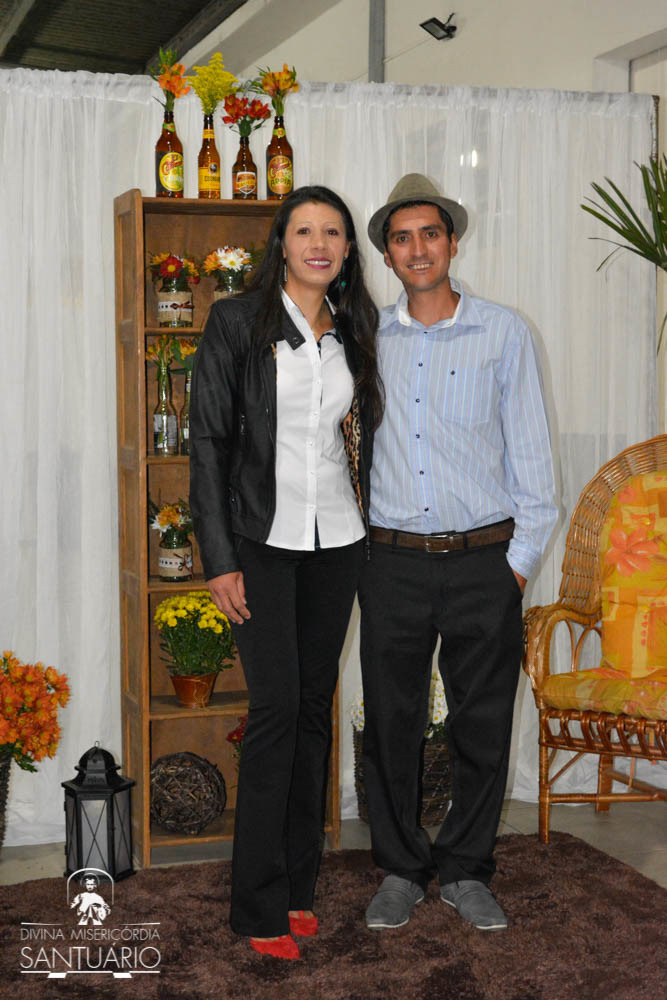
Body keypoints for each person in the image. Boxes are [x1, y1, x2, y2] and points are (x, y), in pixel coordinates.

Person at [189, 185, 383, 960]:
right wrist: (219, 559)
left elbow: (360, 439)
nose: (318, 243)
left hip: (338, 542)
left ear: (346, 250)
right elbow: (208, 442)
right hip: (260, 542)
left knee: (311, 711)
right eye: (304, 230)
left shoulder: (354, 328)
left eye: (332, 232)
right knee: (274, 710)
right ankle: (256, 905)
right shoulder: (238, 321)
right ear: (281, 242)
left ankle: (299, 889)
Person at [359, 173, 557, 933]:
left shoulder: (503, 333)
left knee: (483, 723)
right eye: (401, 238)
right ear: (386, 254)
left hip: (484, 561)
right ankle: (401, 869)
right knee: (391, 724)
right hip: (391, 562)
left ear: (451, 243)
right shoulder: (364, 338)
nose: (417, 249)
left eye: (430, 234)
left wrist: (516, 566)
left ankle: (469, 868)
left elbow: (532, 458)